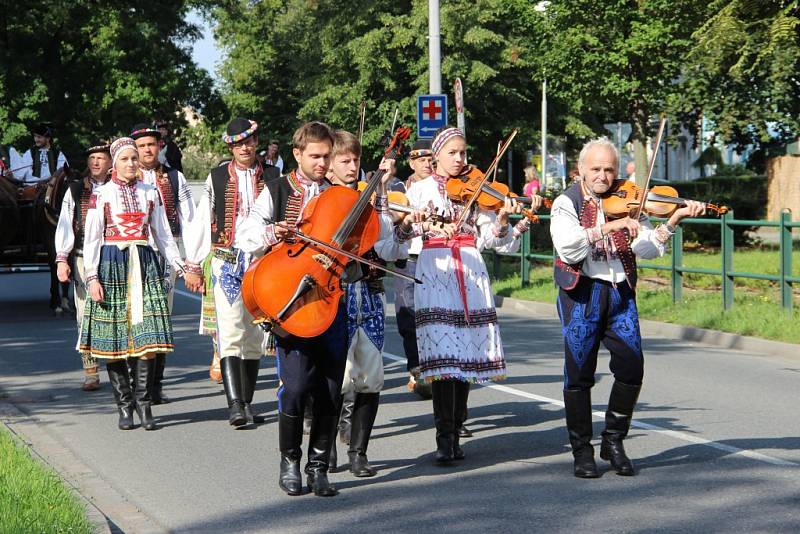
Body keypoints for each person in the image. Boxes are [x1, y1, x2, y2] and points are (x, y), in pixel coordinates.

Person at [549, 138, 705, 478]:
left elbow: (645, 248)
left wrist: (673, 221)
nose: (604, 176)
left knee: (632, 368)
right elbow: (568, 247)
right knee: (579, 374)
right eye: (596, 169)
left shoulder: (627, 200)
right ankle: (582, 451)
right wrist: (607, 225)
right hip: (581, 294)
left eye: (610, 169)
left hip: (620, 292)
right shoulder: (566, 203)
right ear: (581, 171)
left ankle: (614, 441)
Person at [398, 126, 542, 464]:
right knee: (443, 360)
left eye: (464, 152)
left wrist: (505, 217)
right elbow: (402, 233)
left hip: (471, 272)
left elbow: (493, 240)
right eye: (454, 153)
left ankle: (457, 424)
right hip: (436, 271)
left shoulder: (477, 191)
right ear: (436, 157)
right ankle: (444, 436)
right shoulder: (417, 190)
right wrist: (419, 223)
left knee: (465, 359)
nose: (461, 159)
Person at [238, 121, 346, 497]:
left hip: (330, 299)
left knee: (332, 390)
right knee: (297, 387)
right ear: (297, 154)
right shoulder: (278, 189)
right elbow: (245, 233)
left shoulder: (340, 193)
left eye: (326, 156)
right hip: (291, 300)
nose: (321, 163)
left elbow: (368, 242)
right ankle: (290, 462)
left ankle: (319, 468)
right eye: (315, 156)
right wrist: (272, 232)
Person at [78, 137, 192, 431]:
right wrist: (91, 276)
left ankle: (144, 404)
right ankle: (124, 406)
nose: (131, 163)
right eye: (125, 159)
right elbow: (91, 239)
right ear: (115, 163)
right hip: (111, 264)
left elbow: (163, 235)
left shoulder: (149, 191)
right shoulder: (101, 194)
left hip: (144, 263)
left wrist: (181, 265)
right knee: (114, 340)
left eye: (133, 159)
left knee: (149, 339)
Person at [325, 129, 419, 477]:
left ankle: (359, 451)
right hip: (335, 297)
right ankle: (326, 444)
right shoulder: (321, 201)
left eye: (356, 160)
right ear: (330, 166)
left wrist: (404, 230)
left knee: (371, 376)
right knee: (337, 377)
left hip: (370, 295)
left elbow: (388, 250)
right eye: (344, 161)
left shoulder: (371, 202)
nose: (352, 167)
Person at [183, 118, 279, 428]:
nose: (246, 147)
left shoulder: (275, 176)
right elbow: (202, 220)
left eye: (249, 141)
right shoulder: (216, 177)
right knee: (230, 328)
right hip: (227, 259)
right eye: (239, 144)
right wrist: (195, 263)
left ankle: (247, 403)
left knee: (255, 334)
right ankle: (235, 404)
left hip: (262, 261)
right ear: (231, 147)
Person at [131, 123, 196, 404]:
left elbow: (191, 219)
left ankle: (155, 386)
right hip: (133, 256)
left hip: (165, 257)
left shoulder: (174, 177)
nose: (147, 149)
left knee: (161, 319)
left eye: (151, 144)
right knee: (135, 319)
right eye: (142, 145)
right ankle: (137, 385)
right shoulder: (123, 177)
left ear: (159, 147)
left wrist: (191, 260)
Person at [55, 142, 112, 391]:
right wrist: (61, 259)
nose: (96, 162)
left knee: (117, 313)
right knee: (84, 314)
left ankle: (120, 367)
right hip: (81, 258)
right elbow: (66, 224)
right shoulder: (76, 189)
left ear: (111, 161)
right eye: (92, 158)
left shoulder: (121, 188)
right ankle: (90, 371)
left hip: (114, 258)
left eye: (101, 158)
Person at [396, 139, 433, 398]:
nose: (427, 164)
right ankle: (416, 368)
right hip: (408, 258)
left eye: (431, 159)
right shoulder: (401, 189)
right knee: (408, 317)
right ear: (411, 163)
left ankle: (436, 367)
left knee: (432, 316)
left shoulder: (442, 188)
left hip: (433, 257)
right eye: (421, 160)